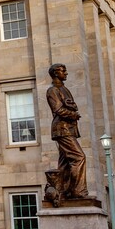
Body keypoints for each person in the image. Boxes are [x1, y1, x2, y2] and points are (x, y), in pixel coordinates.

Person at [46, 63, 88, 198]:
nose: (66, 73)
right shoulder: (52, 90)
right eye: (63, 71)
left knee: (64, 163)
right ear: (56, 73)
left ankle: (62, 190)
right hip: (62, 129)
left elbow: (71, 106)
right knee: (79, 157)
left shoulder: (64, 89)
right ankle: (78, 191)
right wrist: (73, 115)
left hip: (69, 128)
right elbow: (58, 109)